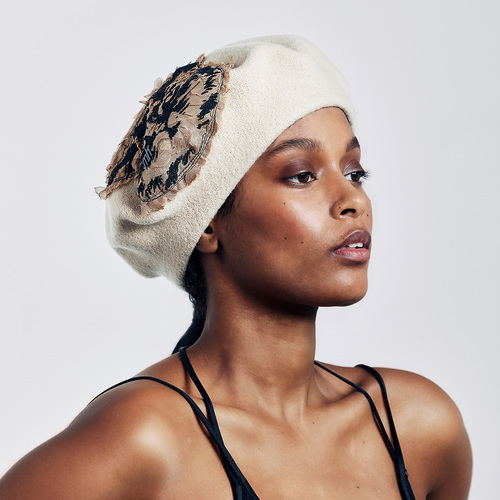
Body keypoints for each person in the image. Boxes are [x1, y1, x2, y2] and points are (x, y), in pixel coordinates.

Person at [0, 35, 471, 500]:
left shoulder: (418, 428)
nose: (354, 200)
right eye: (302, 175)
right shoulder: (143, 440)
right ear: (206, 223)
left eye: (354, 172)